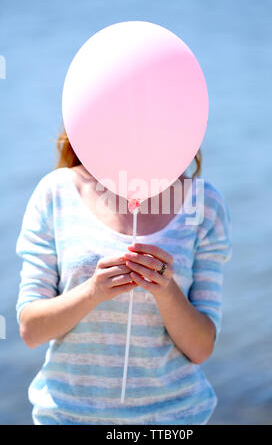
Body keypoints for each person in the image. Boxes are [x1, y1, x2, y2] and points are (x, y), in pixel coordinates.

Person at [15, 128, 232, 425]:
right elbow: (31, 330)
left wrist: (166, 291)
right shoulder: (56, 192)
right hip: (68, 417)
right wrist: (92, 292)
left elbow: (201, 348)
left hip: (173, 419)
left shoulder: (203, 202)